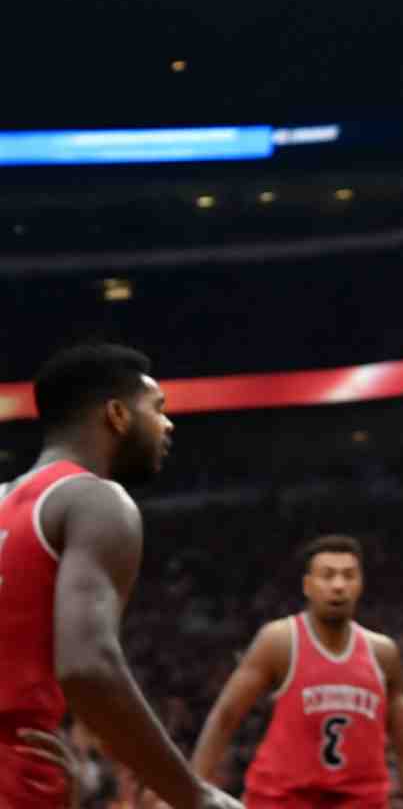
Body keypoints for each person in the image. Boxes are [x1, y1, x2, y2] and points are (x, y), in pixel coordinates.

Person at [0, 343, 242, 809]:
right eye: (158, 408)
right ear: (117, 414)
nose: (168, 424)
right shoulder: (95, 501)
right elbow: (88, 668)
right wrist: (193, 794)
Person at [190, 535, 403, 809]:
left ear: (360, 584)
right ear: (307, 585)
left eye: (348, 575)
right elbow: (225, 717)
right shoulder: (280, 641)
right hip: (283, 800)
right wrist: (190, 795)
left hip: (360, 801)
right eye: (328, 575)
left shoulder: (382, 653)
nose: (338, 585)